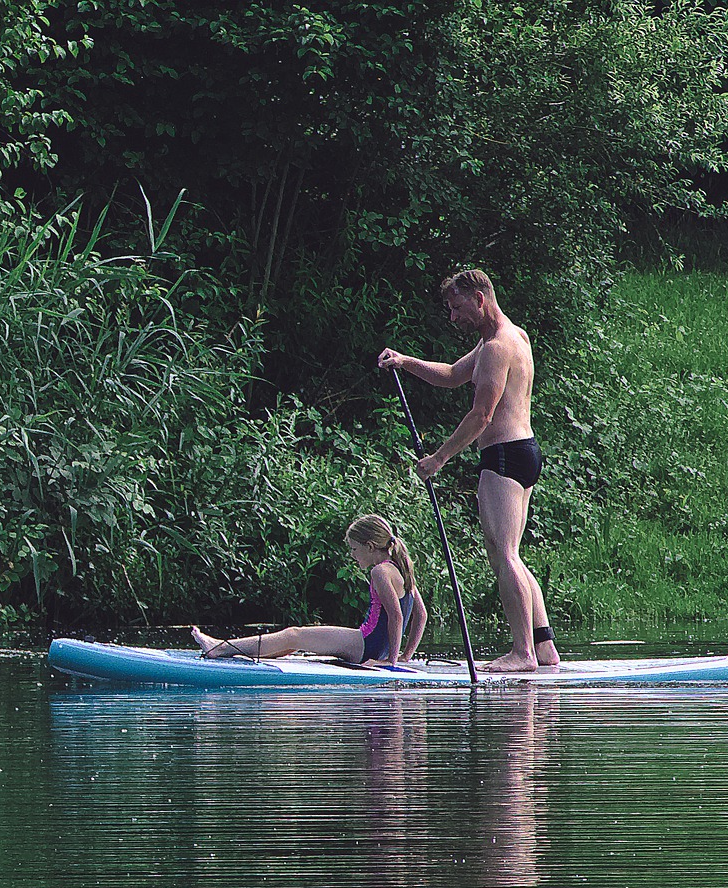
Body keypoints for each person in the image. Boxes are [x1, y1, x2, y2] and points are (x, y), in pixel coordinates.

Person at [377, 269, 559, 671]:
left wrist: (438, 459)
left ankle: (523, 654)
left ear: (479, 299)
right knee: (507, 554)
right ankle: (543, 648)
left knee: (506, 555)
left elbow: (481, 415)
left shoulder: (497, 347)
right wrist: (405, 362)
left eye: (457, 307)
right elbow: (453, 375)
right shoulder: (508, 337)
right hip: (521, 452)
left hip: (506, 455)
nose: (453, 317)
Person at [190, 515, 428, 665]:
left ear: (370, 546)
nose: (353, 556)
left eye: (355, 550)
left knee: (294, 634)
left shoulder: (380, 572)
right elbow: (421, 615)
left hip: (365, 645)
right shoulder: (402, 569)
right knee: (295, 641)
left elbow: (396, 616)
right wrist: (406, 656)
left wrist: (391, 662)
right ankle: (234, 652)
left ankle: (220, 648)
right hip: (373, 646)